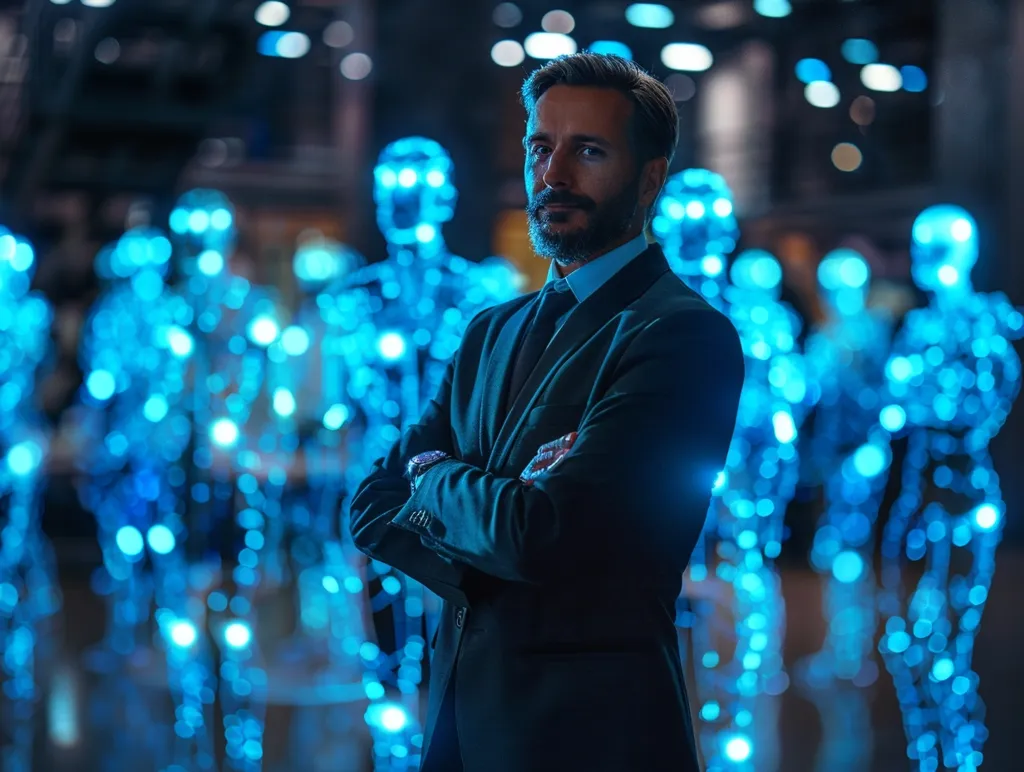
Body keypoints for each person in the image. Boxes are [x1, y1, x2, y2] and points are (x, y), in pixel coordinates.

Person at [349, 52, 744, 772]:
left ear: (650, 178)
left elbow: (539, 534)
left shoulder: (682, 334)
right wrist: (497, 523)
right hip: (457, 721)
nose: (553, 173)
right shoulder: (486, 330)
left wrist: (436, 476)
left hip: (591, 730)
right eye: (541, 146)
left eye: (587, 150)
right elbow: (372, 503)